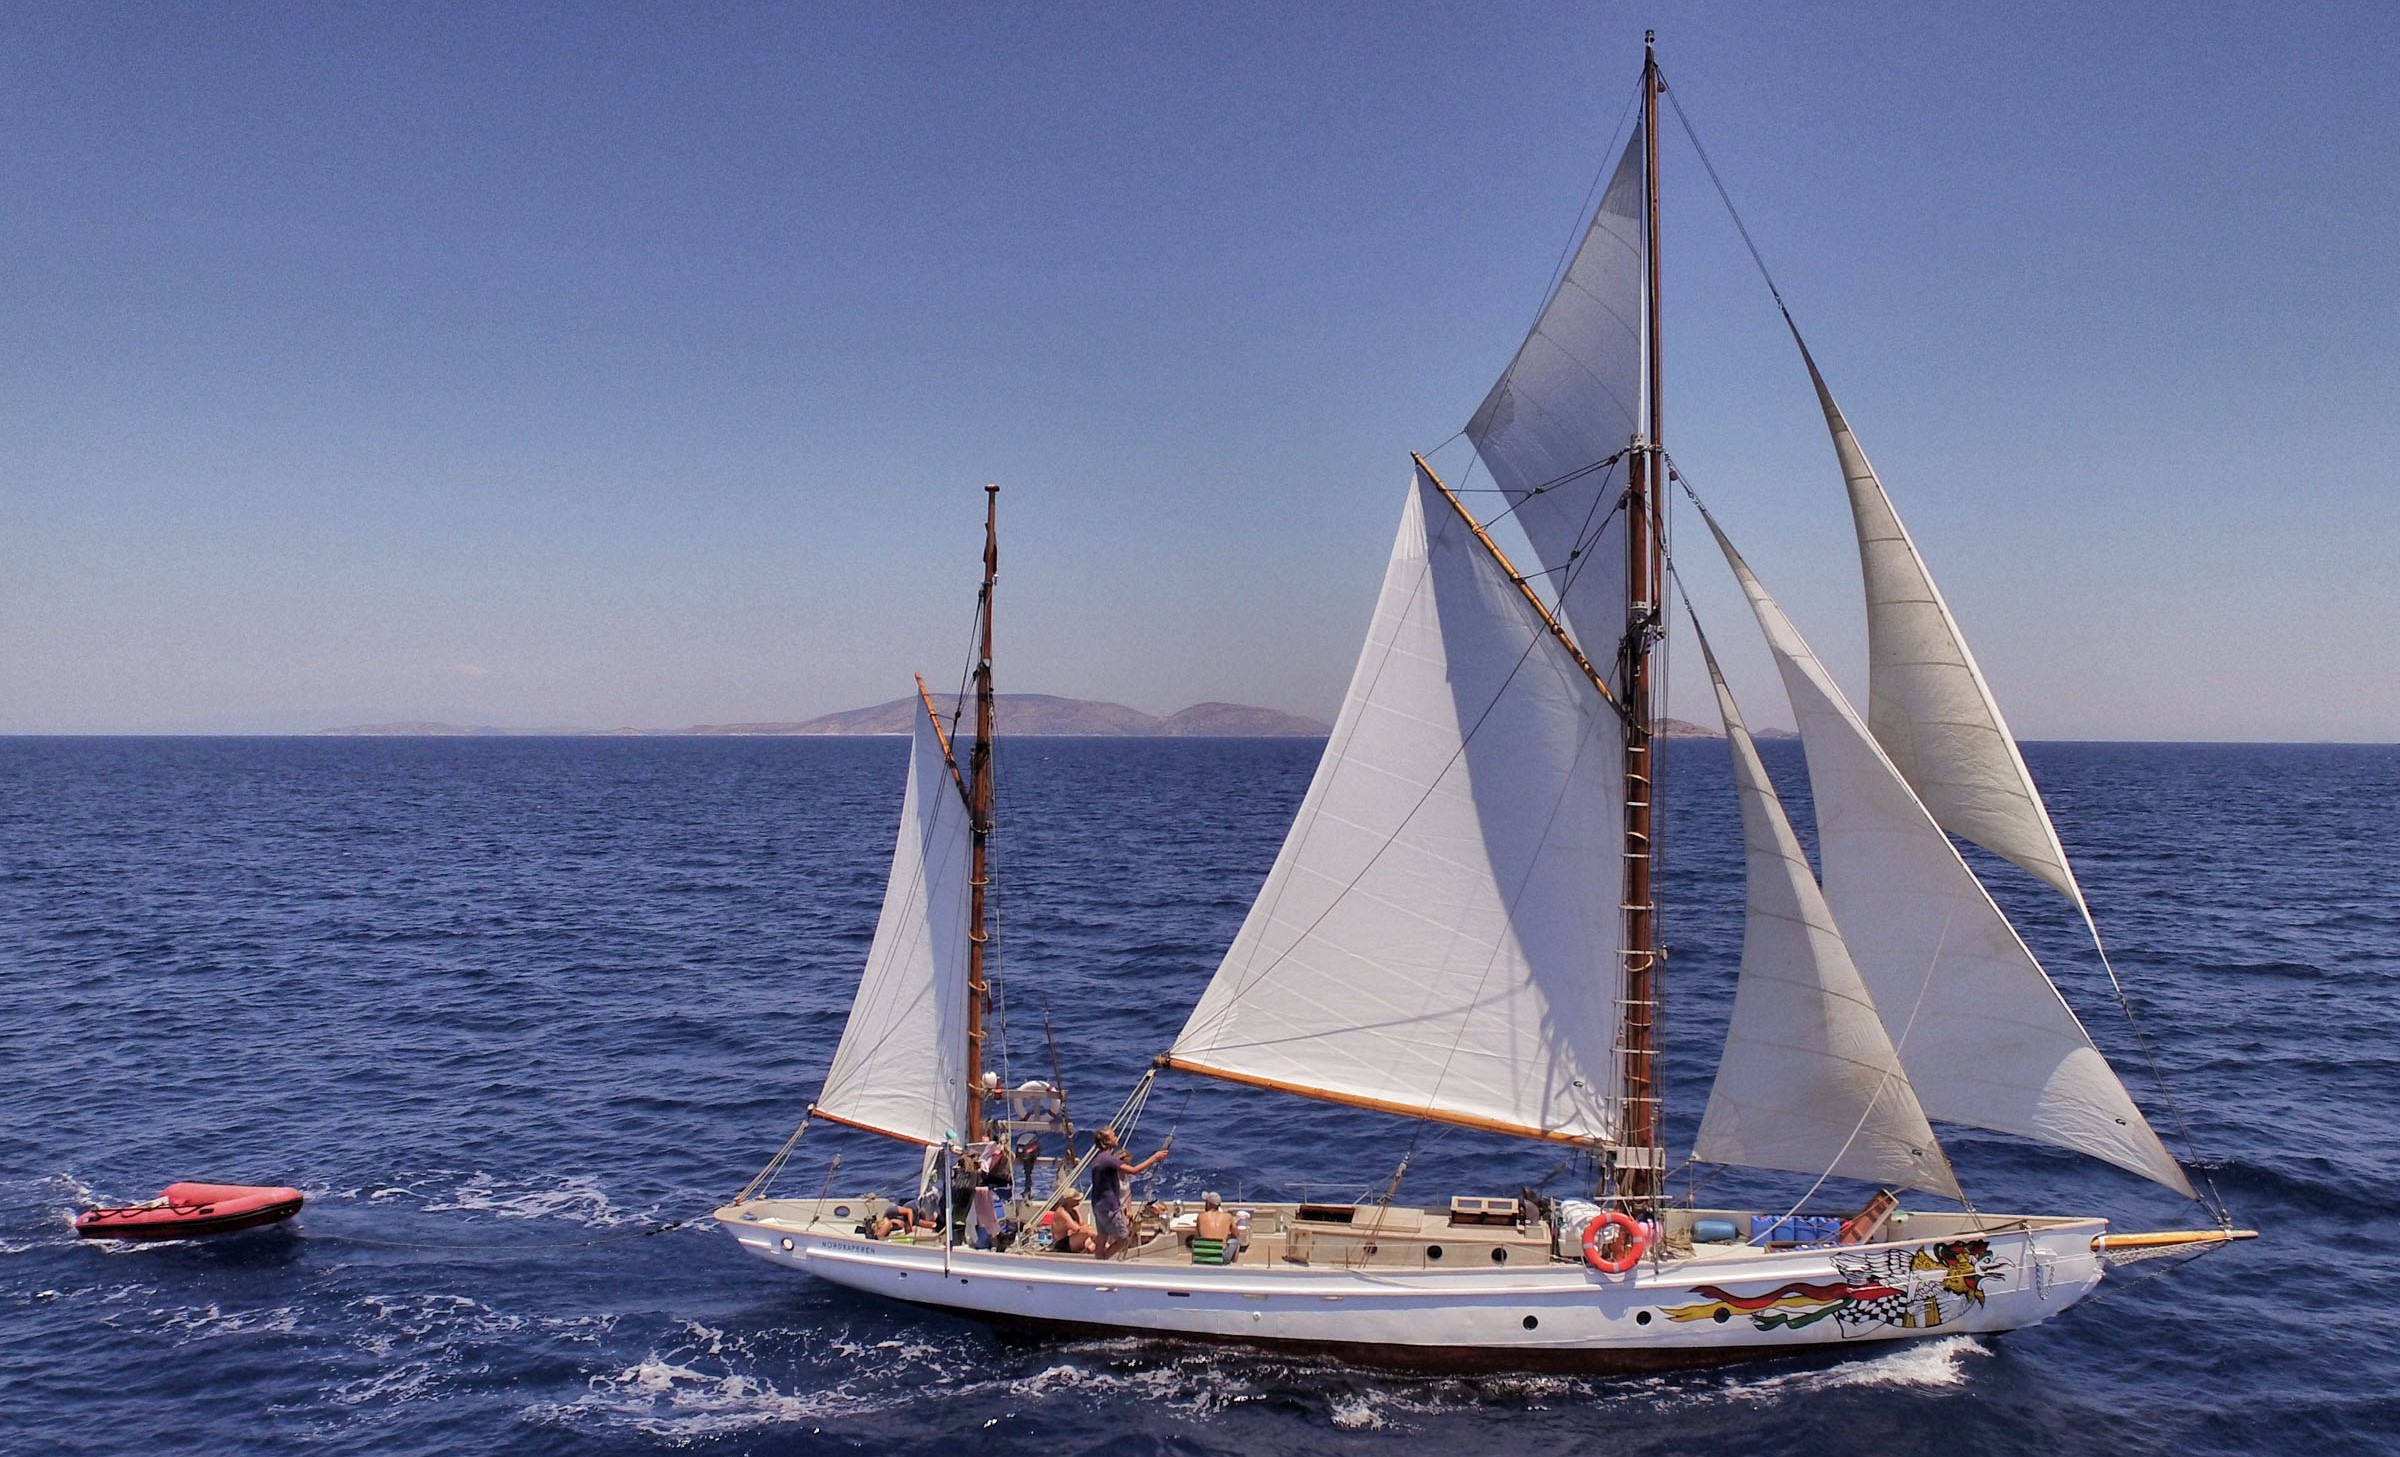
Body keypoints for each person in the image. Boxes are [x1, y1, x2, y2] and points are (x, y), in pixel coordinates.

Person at [1087, 1126, 1170, 1258]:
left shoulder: (1099, 1159)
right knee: (1124, 1239)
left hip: (1098, 1205)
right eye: (1113, 1135)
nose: (1116, 1137)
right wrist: (1154, 1157)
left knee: (1102, 1238)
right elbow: (1134, 1170)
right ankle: (1104, 1261)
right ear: (1107, 1141)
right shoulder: (1108, 1159)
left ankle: (1099, 1263)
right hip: (1109, 1207)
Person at [1042, 1189, 1097, 1254]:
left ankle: (1086, 1251)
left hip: (1071, 1240)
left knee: (1098, 1242)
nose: (1078, 1202)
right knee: (1090, 1234)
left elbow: (1082, 1224)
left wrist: (1077, 1213)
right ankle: (1086, 1251)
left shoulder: (1073, 1210)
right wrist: (1096, 1234)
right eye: (1076, 1200)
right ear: (1069, 1201)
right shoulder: (1062, 1213)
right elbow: (1078, 1229)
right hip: (1061, 1244)